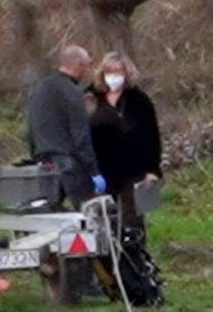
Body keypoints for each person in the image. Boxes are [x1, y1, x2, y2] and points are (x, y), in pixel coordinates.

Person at [87, 51, 162, 231]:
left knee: (133, 222)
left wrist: (152, 170)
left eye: (119, 72)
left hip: (133, 172)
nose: (114, 77)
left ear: (126, 74)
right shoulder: (90, 98)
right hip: (99, 172)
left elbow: (152, 136)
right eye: (109, 71)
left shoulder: (138, 100)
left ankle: (134, 257)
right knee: (100, 223)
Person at [26, 45, 105, 209]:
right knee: (90, 215)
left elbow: (31, 127)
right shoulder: (72, 92)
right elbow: (81, 137)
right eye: (86, 65)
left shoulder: (40, 89)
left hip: (46, 163)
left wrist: (36, 155)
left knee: (50, 216)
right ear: (78, 64)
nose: (86, 71)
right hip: (70, 163)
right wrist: (94, 171)